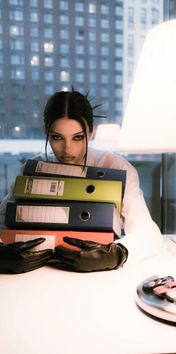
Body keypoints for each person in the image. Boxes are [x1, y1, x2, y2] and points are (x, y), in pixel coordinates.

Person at [0, 89, 163, 273]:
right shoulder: (33, 170)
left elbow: (150, 235)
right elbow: (2, 220)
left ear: (91, 132)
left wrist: (116, 254)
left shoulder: (117, 168)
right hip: (40, 275)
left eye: (78, 137)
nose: (67, 149)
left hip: (97, 279)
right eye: (57, 137)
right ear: (47, 133)